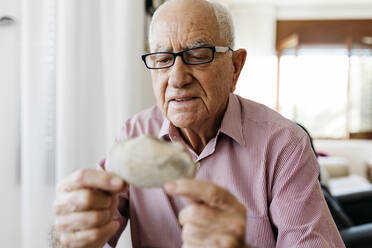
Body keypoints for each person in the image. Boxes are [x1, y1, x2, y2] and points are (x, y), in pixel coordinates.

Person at [53, 0, 346, 247]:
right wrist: (69, 233)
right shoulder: (135, 133)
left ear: (235, 67)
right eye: (163, 58)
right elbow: (91, 226)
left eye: (198, 55)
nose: (178, 79)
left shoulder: (284, 144)